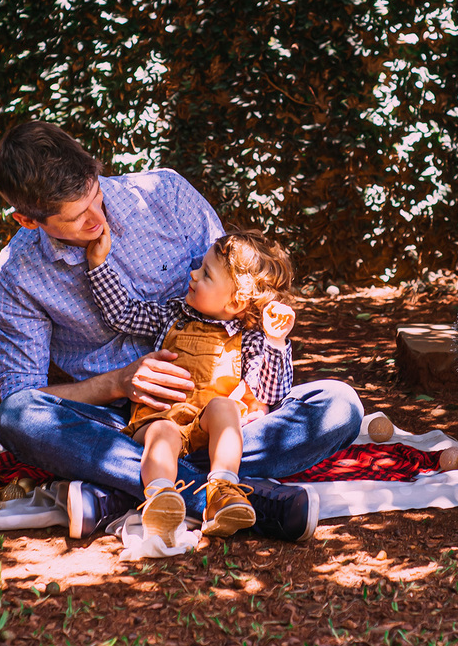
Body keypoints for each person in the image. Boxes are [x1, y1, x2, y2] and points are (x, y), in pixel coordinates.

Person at [0, 120, 364, 541]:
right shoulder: (17, 274)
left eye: (96, 196)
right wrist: (116, 383)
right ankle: (233, 497)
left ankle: (127, 492)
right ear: (27, 220)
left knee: (339, 405)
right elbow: (23, 394)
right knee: (18, 418)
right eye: (77, 218)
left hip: (216, 413)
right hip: (120, 424)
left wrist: (254, 382)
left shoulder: (166, 194)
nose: (97, 218)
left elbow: (237, 297)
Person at [85, 226, 298, 544]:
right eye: (200, 267)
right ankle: (161, 498)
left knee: (225, 407)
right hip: (160, 417)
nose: (193, 274)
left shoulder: (251, 338)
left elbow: (270, 395)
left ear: (236, 302)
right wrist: (99, 265)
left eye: (206, 274)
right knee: (163, 434)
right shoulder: (171, 314)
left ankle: (223, 488)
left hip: (206, 428)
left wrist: (276, 342)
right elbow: (122, 314)